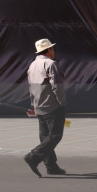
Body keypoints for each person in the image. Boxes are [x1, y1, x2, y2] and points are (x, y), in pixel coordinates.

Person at [24, 38, 67, 177]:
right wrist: (62, 103)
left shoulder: (32, 65)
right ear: (48, 50)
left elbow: (30, 87)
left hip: (39, 105)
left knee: (45, 137)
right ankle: (33, 157)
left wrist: (33, 104)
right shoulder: (50, 64)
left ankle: (51, 166)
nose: (54, 51)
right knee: (55, 136)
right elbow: (57, 86)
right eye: (52, 49)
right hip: (52, 105)